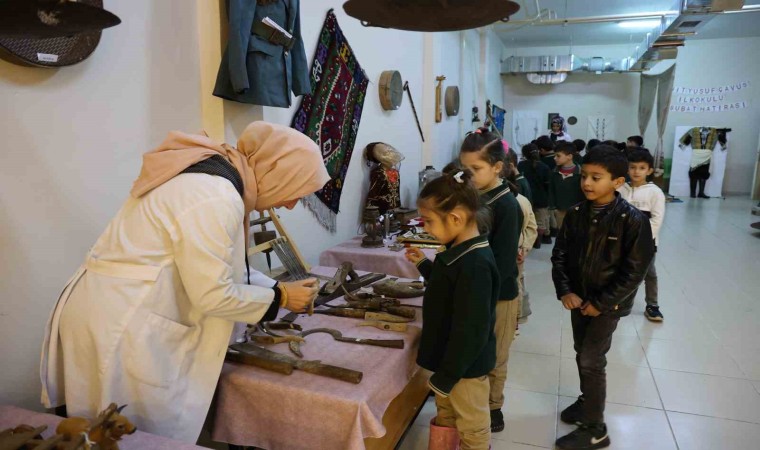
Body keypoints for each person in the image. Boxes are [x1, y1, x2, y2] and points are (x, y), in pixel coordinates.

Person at [40, 122, 330, 443]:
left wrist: (276, 289)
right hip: (122, 324)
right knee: (122, 434)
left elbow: (221, 266)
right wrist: (281, 299)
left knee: (106, 430)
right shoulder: (216, 195)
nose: (290, 205)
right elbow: (213, 294)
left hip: (112, 310)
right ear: (276, 172)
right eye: (296, 191)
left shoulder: (215, 182)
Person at [551, 145, 654, 450]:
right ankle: (587, 400)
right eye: (584, 176)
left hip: (608, 305)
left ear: (618, 182)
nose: (586, 183)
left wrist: (602, 303)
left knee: (591, 359)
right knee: (581, 350)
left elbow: (635, 271)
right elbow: (560, 255)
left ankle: (595, 429)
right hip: (579, 299)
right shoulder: (576, 214)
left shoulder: (632, 220)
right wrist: (566, 290)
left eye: (596, 178)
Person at [405, 170, 499, 450]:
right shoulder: (458, 249)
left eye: (429, 221)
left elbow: (472, 330)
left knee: (472, 425)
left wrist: (448, 376)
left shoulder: (476, 264)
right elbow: (447, 285)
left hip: (465, 368)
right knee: (446, 414)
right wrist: (423, 264)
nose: (426, 228)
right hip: (451, 361)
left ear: (456, 218)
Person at [459, 128, 523, 433]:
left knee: (495, 354)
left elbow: (503, 261)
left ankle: (494, 407)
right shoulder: (474, 196)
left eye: (475, 168)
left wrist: (477, 289)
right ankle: (471, 398)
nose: (468, 175)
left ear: (497, 167)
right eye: (465, 168)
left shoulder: (507, 205)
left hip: (499, 294)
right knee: (474, 347)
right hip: (475, 289)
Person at [618, 149, 666, 322]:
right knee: (620, 270)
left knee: (649, 273)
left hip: (645, 243)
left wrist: (640, 239)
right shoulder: (620, 189)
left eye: (641, 168)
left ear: (649, 170)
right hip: (620, 241)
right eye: (632, 167)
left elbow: (656, 220)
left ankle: (652, 305)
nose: (636, 172)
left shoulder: (655, 192)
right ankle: (618, 300)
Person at [504, 161, 538, 324]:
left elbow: (531, 226)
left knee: (514, 286)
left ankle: (514, 320)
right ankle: (515, 319)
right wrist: (525, 248)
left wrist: (523, 248)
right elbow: (532, 227)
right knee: (517, 283)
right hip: (518, 250)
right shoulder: (522, 199)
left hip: (514, 252)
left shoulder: (515, 201)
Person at [518, 144, 552, 247]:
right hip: (541, 198)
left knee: (526, 220)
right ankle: (538, 242)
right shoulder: (544, 167)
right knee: (540, 221)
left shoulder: (521, 165)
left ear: (524, 154)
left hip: (526, 197)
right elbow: (548, 185)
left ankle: (527, 240)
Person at [549, 142, 585, 230]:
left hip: (577, 211)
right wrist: (553, 207)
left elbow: (584, 192)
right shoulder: (554, 173)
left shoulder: (581, 173)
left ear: (569, 156)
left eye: (558, 156)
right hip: (559, 210)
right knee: (561, 231)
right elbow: (551, 190)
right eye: (555, 155)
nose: (555, 158)